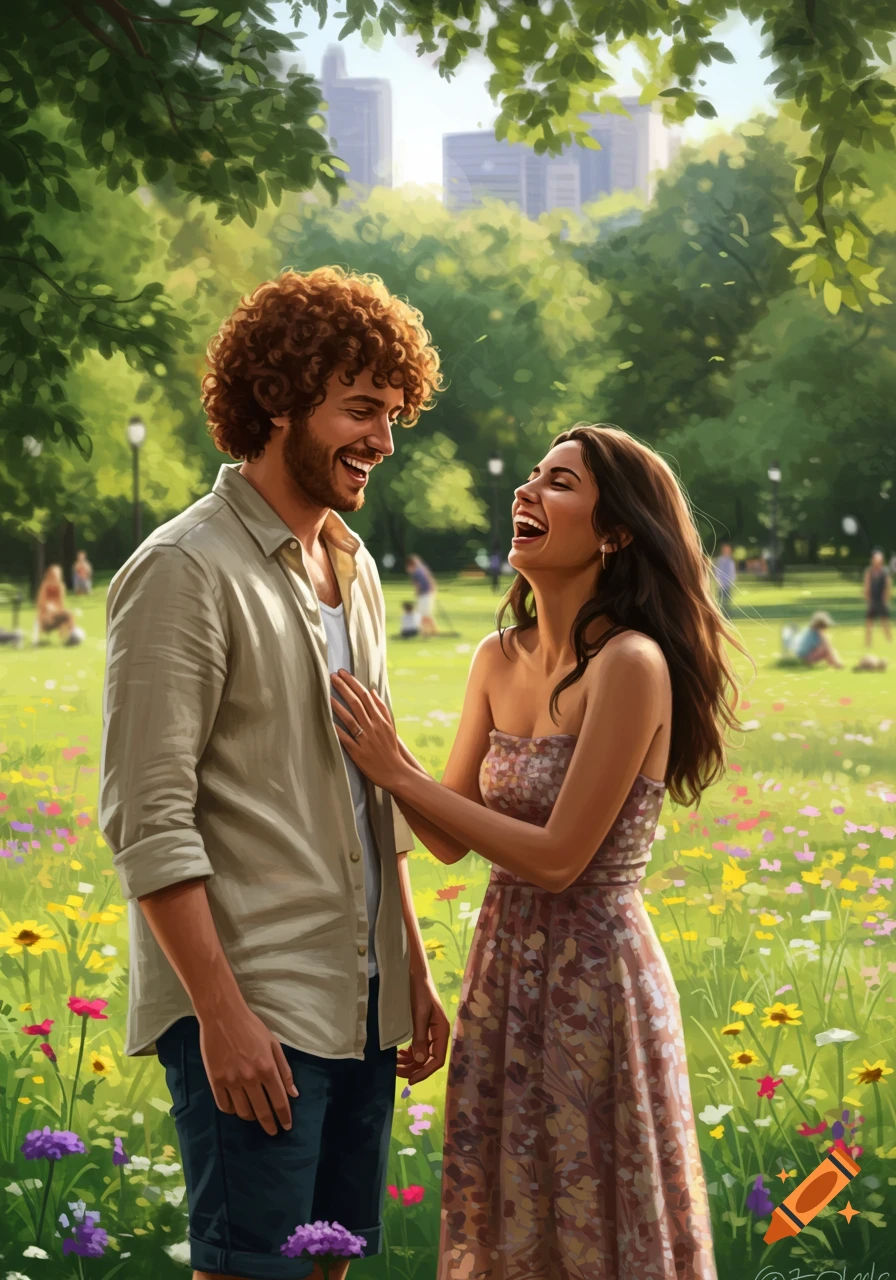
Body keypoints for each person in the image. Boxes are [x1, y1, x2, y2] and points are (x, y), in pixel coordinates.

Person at [98, 267, 449, 1280]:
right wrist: (220, 1014)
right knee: (250, 1271)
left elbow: (366, 797)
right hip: (255, 1004)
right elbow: (148, 818)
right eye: (359, 409)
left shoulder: (356, 565)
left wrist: (411, 972)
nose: (383, 440)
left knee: (327, 1263)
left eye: (393, 412)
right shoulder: (183, 569)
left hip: (361, 996)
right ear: (278, 397)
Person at [332, 423, 739, 1280]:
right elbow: (446, 834)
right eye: (531, 475)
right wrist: (374, 754)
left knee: (598, 1219)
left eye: (558, 483)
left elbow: (559, 860)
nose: (525, 491)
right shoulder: (496, 657)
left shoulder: (631, 664)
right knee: (512, 1211)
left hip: (597, 985)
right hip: (504, 973)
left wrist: (397, 772)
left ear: (617, 530)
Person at [35, 565, 76, 644]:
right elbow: (41, 605)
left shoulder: (60, 587)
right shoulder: (44, 587)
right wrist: (47, 610)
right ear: (49, 576)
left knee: (69, 614)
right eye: (54, 576)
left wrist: (55, 611)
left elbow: (61, 605)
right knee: (46, 615)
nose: (56, 578)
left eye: (58, 576)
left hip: (56, 614)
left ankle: (72, 637)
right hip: (45, 618)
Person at [864, 549, 892, 647]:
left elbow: (888, 587)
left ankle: (889, 640)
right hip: (873, 600)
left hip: (881, 600)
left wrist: (886, 600)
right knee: (869, 622)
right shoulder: (869, 571)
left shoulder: (885, 572)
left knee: (885, 621)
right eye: (875, 559)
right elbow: (866, 587)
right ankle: (868, 642)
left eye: (879, 560)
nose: (877, 562)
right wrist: (868, 601)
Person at [405, 553, 438, 636]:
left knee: (423, 615)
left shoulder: (416, 573)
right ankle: (429, 631)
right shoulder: (423, 569)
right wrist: (433, 590)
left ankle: (429, 631)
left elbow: (417, 585)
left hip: (423, 595)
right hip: (428, 594)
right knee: (425, 614)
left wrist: (417, 593)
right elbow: (431, 580)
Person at [713, 540, 737, 616]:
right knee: (720, 600)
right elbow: (717, 571)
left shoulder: (730, 561)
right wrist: (719, 581)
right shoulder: (720, 560)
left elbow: (732, 572)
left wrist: (732, 581)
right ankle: (720, 615)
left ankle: (726, 615)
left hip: (728, 584)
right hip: (721, 584)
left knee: (726, 601)